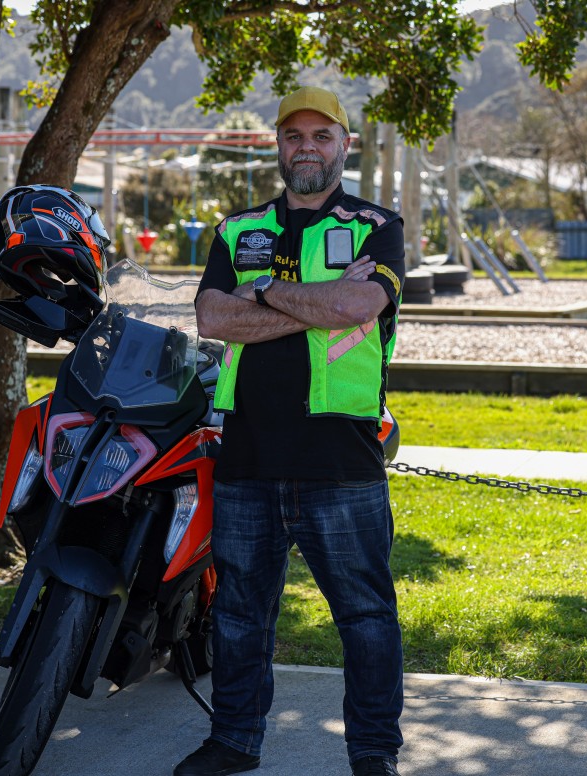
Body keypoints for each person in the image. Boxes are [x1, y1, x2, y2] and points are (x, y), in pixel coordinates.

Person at [174, 86, 406, 776]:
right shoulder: (236, 229)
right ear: (277, 146)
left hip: (342, 457)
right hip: (247, 454)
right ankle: (235, 741)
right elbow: (213, 320)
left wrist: (264, 295)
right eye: (293, 136)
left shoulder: (376, 225)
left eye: (321, 135)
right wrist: (319, 304)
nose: (307, 147)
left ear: (345, 144)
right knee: (241, 618)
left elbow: (363, 302)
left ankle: (372, 752)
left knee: (365, 619)